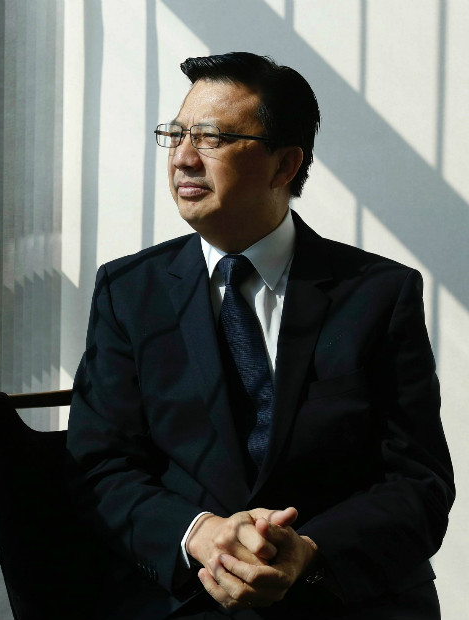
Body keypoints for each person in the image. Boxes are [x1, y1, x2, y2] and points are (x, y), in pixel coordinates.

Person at [66, 52, 454, 619]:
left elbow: (419, 482)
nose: (183, 158)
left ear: (284, 165)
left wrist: (310, 553)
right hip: (188, 596)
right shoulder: (129, 291)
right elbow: (99, 466)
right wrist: (200, 536)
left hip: (344, 597)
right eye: (174, 135)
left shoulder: (378, 294)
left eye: (211, 138)